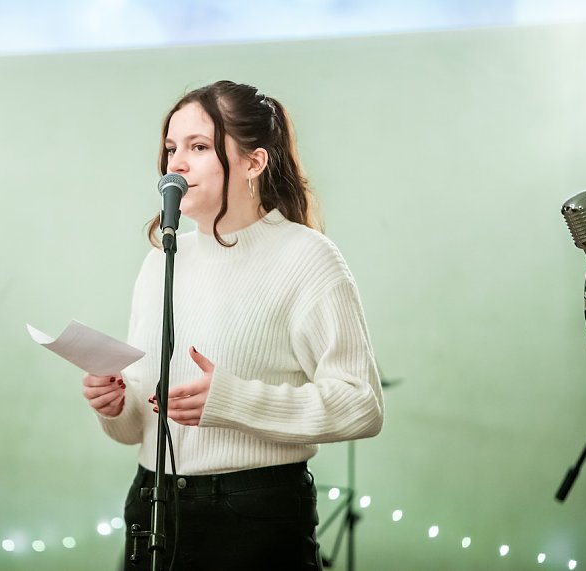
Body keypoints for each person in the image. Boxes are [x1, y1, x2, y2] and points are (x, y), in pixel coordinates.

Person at [81, 80, 384, 570]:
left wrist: (233, 400)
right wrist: (116, 405)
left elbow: (362, 405)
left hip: (253, 514)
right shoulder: (161, 260)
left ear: (254, 162)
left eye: (199, 147)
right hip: (152, 505)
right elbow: (136, 427)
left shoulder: (307, 257)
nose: (176, 164)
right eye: (171, 148)